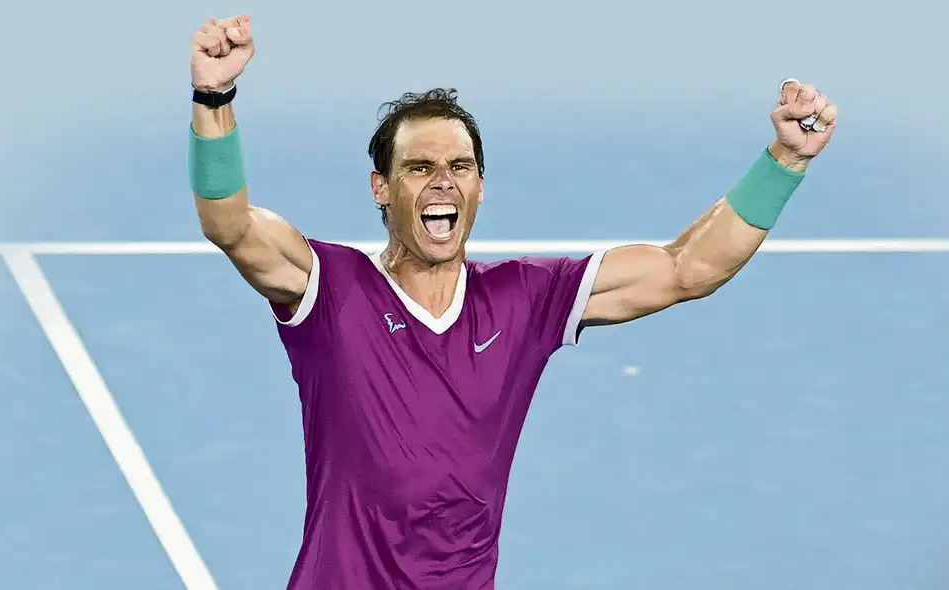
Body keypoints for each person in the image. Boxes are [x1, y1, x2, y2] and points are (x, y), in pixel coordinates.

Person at [187, 14, 837, 590]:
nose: (443, 180)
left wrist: (784, 159)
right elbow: (232, 226)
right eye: (419, 167)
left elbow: (687, 268)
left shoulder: (525, 299)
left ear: (480, 186)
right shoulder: (334, 289)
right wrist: (214, 96)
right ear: (381, 188)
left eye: (460, 166)